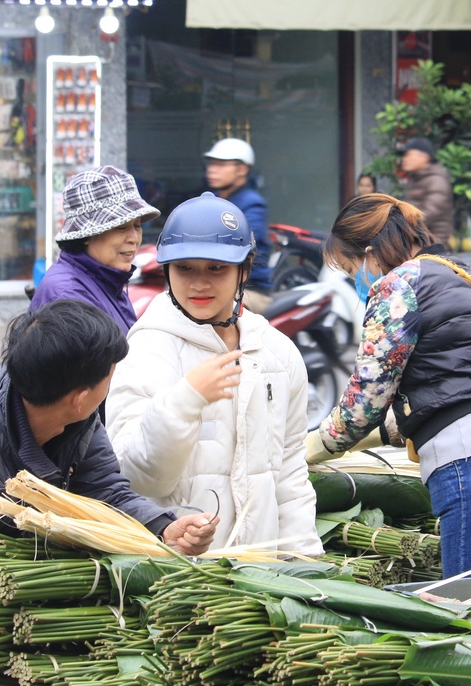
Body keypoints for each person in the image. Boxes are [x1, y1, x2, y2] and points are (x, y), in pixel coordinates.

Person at [0, 300, 218, 649]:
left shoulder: (69, 409)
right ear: (80, 396)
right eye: (110, 373)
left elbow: (105, 491)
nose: (112, 379)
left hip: (4, 575)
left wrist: (163, 526)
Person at [305, 193, 471, 579]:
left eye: (352, 269)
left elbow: (364, 400)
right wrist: (377, 438)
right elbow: (448, 387)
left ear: (369, 254)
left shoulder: (396, 285)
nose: (358, 281)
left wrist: (313, 446)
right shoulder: (457, 274)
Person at [106, 192, 323, 557]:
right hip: (181, 577)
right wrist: (185, 401)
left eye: (216, 268)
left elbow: (289, 474)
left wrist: (303, 564)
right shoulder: (146, 349)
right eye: (184, 268)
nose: (199, 284)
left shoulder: (278, 353)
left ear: (246, 269)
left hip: (261, 578)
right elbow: (138, 477)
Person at [30, 165, 160, 335]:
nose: (134, 238)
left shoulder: (108, 280)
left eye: (137, 226)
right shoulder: (68, 296)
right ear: (86, 235)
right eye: (121, 227)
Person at [203, 138, 274, 312]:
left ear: (242, 169)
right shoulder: (211, 199)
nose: (212, 170)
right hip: (213, 283)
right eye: (211, 164)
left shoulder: (252, 203)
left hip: (247, 290)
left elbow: (242, 240)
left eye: (221, 165)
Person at [398, 137, 455, 249]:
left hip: (432, 248)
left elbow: (428, 214)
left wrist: (398, 224)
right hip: (418, 246)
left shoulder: (436, 180)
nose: (404, 159)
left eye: (408, 155)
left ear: (424, 157)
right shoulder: (416, 179)